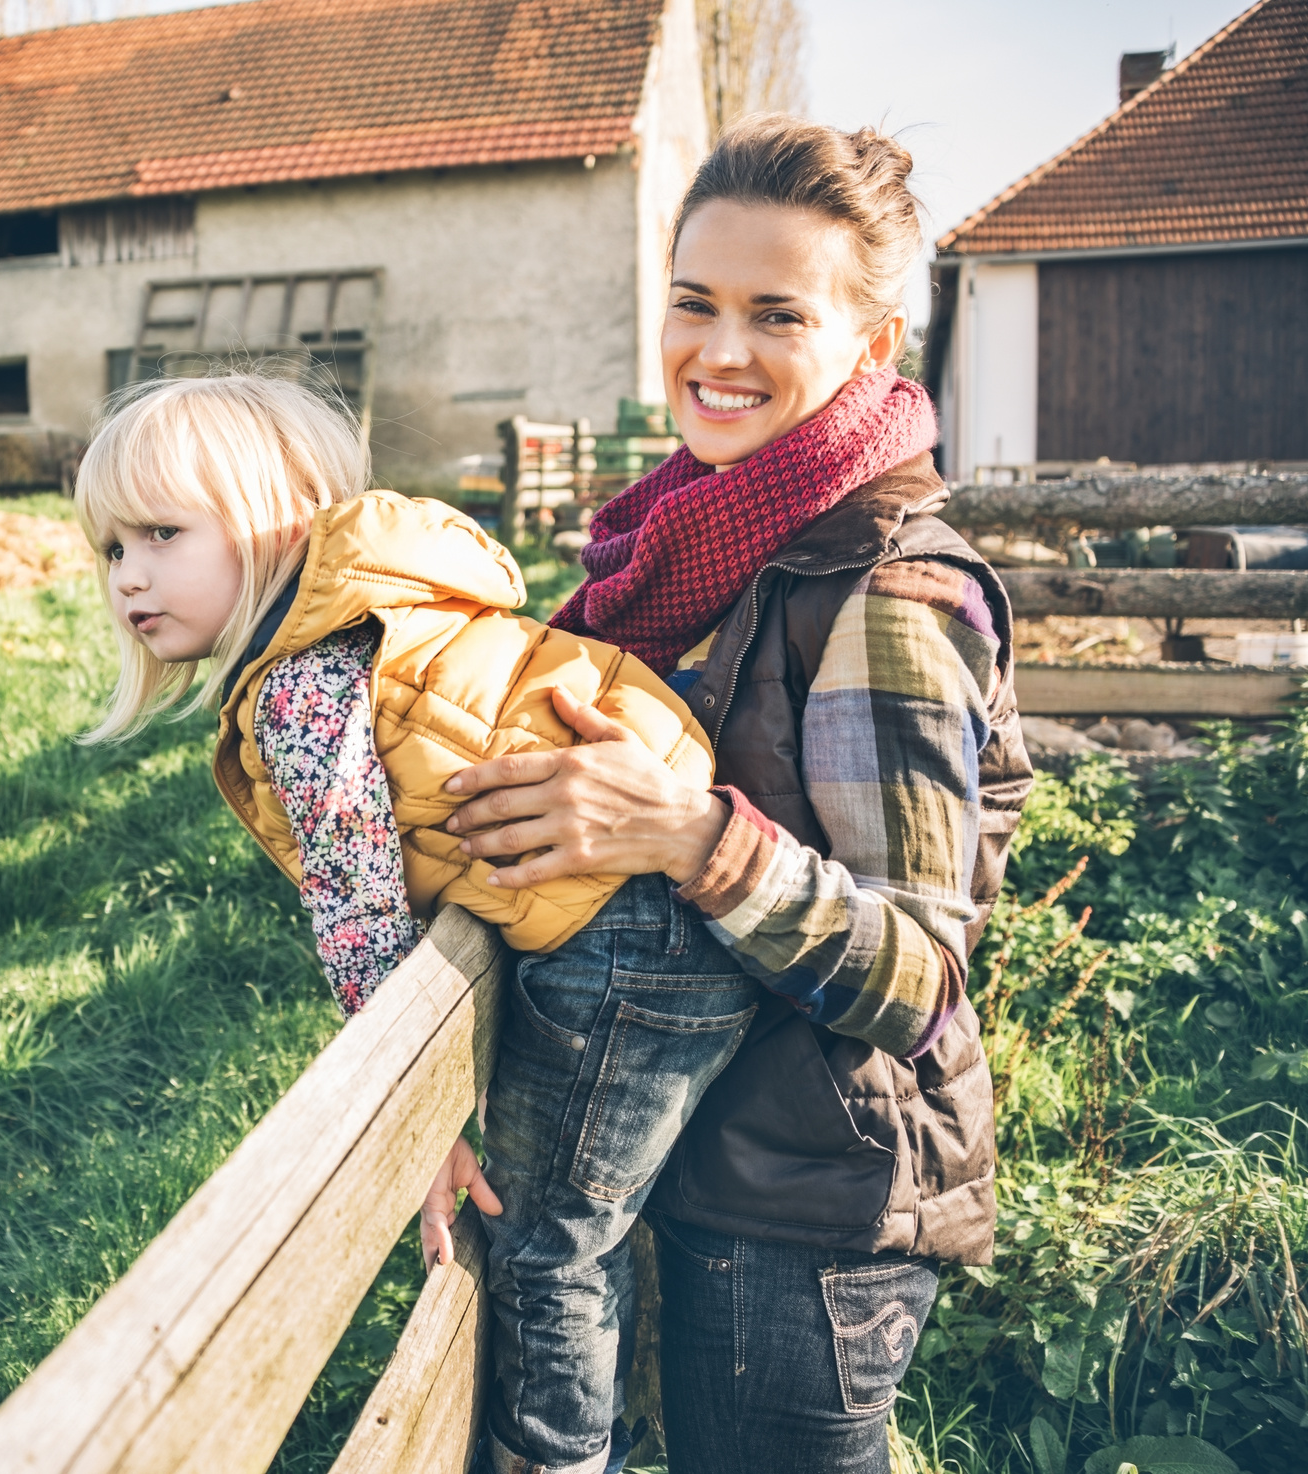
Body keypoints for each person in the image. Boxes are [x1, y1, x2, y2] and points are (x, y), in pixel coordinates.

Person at [442, 115, 1035, 1473]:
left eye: (779, 314)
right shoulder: (697, 545)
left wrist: (684, 830)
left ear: (870, 345)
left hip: (810, 1213)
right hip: (704, 1152)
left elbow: (919, 977)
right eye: (695, 303)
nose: (719, 351)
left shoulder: (890, 593)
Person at [70, 370, 760, 1474]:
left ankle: (561, 1459)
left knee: (548, 1244)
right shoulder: (397, 608)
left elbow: (357, 905)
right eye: (111, 546)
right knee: (581, 1224)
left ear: (280, 514)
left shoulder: (301, 685)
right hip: (658, 921)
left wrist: (413, 1112)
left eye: (162, 531)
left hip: (627, 944)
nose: (130, 576)